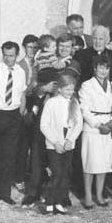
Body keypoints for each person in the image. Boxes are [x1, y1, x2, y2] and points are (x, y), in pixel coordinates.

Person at [0, 41, 27, 205]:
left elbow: (22, 95)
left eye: (12, 55)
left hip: (14, 116)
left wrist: (20, 113)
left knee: (9, 156)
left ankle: (4, 193)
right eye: (6, 55)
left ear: (17, 55)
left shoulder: (21, 72)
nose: (9, 59)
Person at [79, 54, 112, 208]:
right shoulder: (86, 85)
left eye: (107, 68)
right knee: (90, 162)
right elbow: (84, 109)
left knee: (103, 163)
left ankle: (99, 194)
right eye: (101, 67)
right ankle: (88, 195)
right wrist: (98, 125)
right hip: (93, 128)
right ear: (95, 68)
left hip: (108, 127)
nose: (104, 71)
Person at [40, 73, 83, 215]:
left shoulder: (74, 103)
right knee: (56, 173)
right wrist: (55, 142)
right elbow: (44, 125)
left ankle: (58, 202)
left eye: (72, 90)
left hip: (68, 143)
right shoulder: (51, 103)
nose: (70, 93)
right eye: (67, 90)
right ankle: (49, 202)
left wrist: (71, 140)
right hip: (54, 143)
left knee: (64, 174)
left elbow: (78, 124)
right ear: (59, 89)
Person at [21, 68, 59, 207]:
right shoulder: (33, 95)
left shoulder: (55, 96)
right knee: (36, 163)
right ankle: (32, 193)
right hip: (37, 134)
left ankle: (53, 193)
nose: (55, 86)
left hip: (54, 134)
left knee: (54, 164)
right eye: (52, 83)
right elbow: (29, 116)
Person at [15, 34, 38, 192]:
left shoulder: (40, 63)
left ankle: (34, 177)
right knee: (22, 145)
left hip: (38, 104)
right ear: (24, 48)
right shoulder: (20, 66)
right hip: (25, 104)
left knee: (35, 144)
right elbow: (19, 90)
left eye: (35, 48)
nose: (33, 50)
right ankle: (19, 178)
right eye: (30, 47)